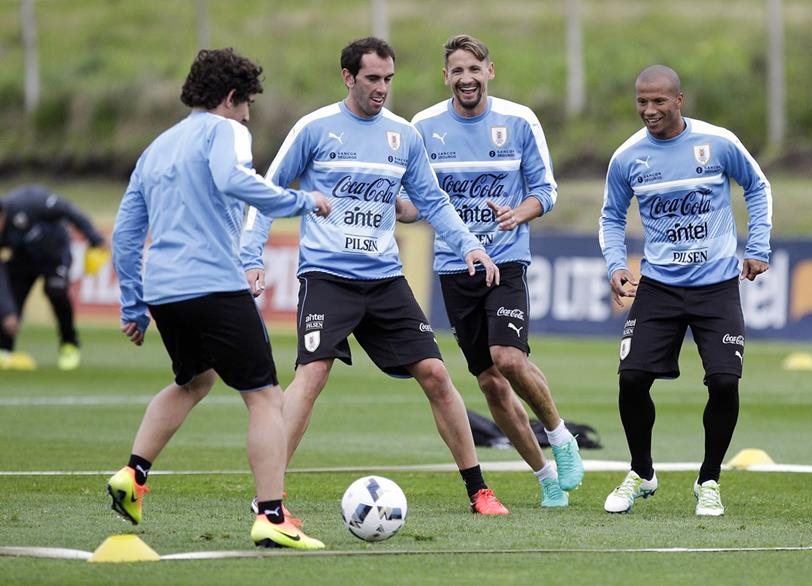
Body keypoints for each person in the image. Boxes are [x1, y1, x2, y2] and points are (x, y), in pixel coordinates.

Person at [240, 37, 510, 517]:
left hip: (385, 279)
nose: (382, 87)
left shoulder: (403, 135)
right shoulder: (315, 129)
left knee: (436, 374)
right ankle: (269, 500)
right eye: (372, 79)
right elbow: (269, 190)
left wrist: (469, 244)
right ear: (348, 76)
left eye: (388, 79)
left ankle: (479, 491)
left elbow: (431, 201)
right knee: (312, 375)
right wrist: (250, 256)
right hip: (327, 277)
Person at [107, 47, 331, 550]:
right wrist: (302, 200)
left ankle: (133, 474)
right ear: (230, 97)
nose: (249, 113)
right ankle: (272, 515)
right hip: (212, 283)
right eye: (247, 102)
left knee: (193, 381)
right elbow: (233, 179)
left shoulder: (157, 147)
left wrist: (132, 304)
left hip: (165, 292)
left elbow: (125, 233)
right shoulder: (226, 130)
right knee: (266, 398)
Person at [399, 34, 584, 508]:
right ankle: (544, 476)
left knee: (508, 357)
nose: (466, 79)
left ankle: (560, 436)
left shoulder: (519, 121)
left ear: (489, 72)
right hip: (453, 267)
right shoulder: (423, 127)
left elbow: (547, 190)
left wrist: (517, 214)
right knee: (489, 383)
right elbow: (417, 199)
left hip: (506, 260)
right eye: (457, 71)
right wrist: (391, 207)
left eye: (473, 69)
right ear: (446, 77)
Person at [598, 64, 773, 516]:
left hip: (716, 287)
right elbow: (611, 216)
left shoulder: (717, 142)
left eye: (659, 101)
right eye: (642, 101)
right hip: (658, 286)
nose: (649, 110)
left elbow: (757, 186)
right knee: (632, 377)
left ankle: (709, 480)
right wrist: (617, 264)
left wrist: (757, 246)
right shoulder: (627, 157)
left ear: (680, 99)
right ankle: (641, 472)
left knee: (724, 382)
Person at [0, 186, 107, 371]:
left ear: (0, 216)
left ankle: (69, 344)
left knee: (56, 292)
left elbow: (68, 210)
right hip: (24, 259)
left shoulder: (29, 202)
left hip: (55, 253)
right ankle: (3, 350)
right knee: (9, 294)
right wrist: (9, 311)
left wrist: (95, 239)